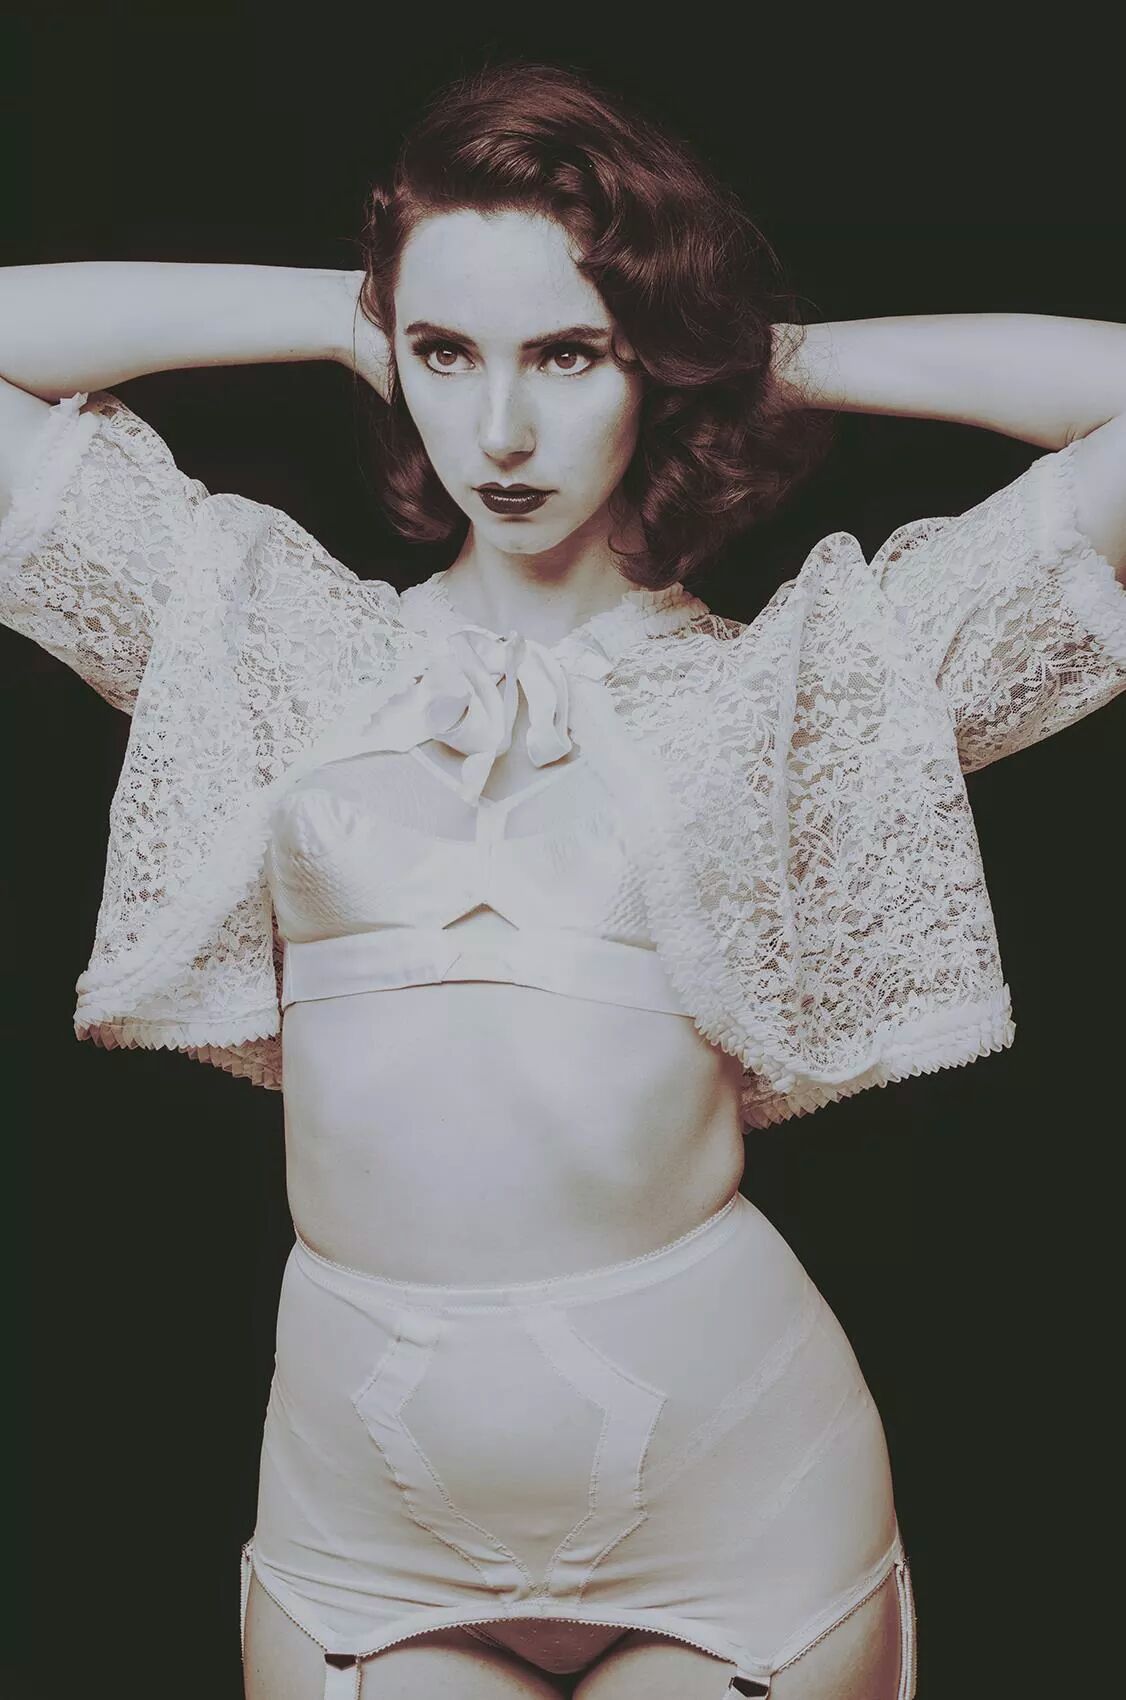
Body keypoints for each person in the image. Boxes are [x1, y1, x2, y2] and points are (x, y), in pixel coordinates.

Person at [2, 56, 1124, 1700]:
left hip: (741, 1501)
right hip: (362, 1522)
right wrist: (340, 309)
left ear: (646, 360)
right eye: (446, 354)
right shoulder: (273, 644)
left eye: (571, 353)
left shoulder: (800, 685)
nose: (502, 430)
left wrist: (759, 354)